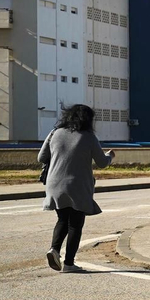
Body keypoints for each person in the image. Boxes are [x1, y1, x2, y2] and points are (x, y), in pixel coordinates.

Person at [39, 104, 114, 272]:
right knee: (75, 224)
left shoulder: (55, 133)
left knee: (62, 219)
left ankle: (54, 249)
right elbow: (102, 162)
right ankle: (69, 264)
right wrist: (110, 156)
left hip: (54, 183)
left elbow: (41, 157)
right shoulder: (88, 136)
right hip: (77, 185)